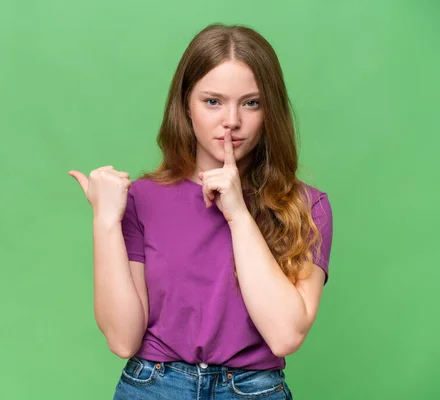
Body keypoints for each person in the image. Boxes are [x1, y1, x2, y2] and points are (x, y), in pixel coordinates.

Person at [69, 23, 333, 400]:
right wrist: (105, 221)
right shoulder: (142, 199)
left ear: (269, 109)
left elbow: (285, 335)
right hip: (153, 386)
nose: (232, 121)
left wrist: (238, 214)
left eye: (251, 102)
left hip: (253, 390)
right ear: (186, 105)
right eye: (213, 101)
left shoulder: (306, 206)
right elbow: (123, 340)